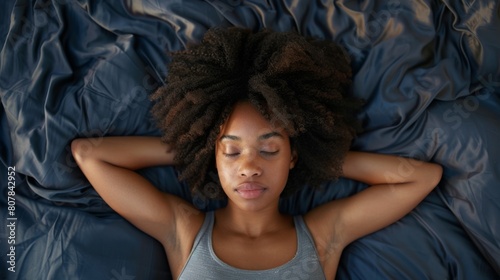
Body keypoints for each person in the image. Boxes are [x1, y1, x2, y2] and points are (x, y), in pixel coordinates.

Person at [71, 27, 442, 279]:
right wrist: (196, 148)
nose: (249, 167)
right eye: (232, 152)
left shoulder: (323, 235)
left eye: (269, 149)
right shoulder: (183, 230)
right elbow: (90, 154)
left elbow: (421, 177)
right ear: (214, 157)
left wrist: (318, 154)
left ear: (291, 156)